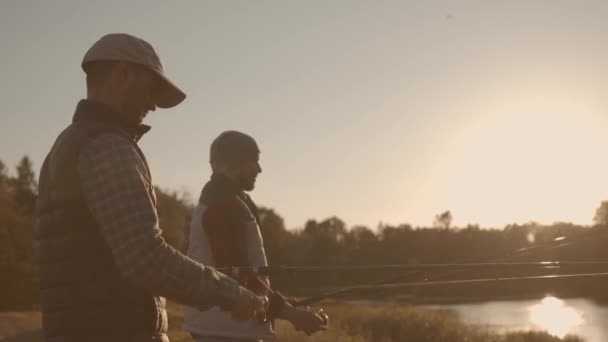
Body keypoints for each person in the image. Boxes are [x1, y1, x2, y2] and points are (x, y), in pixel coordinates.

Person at [35, 34, 265, 342]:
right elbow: (145, 258)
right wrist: (231, 293)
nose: (153, 105)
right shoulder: (107, 146)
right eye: (151, 88)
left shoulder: (67, 145)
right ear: (124, 74)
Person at [183, 131, 327, 342]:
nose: (259, 169)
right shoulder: (223, 206)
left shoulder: (228, 201)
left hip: (226, 328)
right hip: (225, 331)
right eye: (254, 162)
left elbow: (247, 276)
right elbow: (237, 276)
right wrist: (292, 314)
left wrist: (287, 305)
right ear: (233, 163)